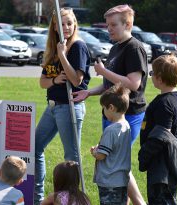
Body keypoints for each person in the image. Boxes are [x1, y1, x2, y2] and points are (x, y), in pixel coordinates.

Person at [72, 4, 147, 205]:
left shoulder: (134, 48)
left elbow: (133, 84)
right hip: (111, 113)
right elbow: (110, 84)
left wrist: (104, 71)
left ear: (128, 24)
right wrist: (89, 92)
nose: (109, 29)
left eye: (113, 25)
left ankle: (139, 203)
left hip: (128, 114)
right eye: (108, 25)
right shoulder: (115, 47)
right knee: (117, 161)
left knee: (118, 163)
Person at [34, 7, 91, 204]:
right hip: (52, 107)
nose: (66, 27)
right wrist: (55, 80)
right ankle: (38, 196)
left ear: (75, 24)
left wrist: (63, 55)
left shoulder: (77, 47)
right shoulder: (52, 49)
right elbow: (42, 82)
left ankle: (72, 199)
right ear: (55, 27)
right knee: (35, 146)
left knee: (70, 158)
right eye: (62, 24)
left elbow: (76, 80)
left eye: (70, 23)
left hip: (69, 107)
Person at [138, 55, 177, 205]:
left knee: (161, 200)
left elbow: (163, 135)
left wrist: (144, 154)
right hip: (168, 161)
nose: (151, 76)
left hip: (162, 166)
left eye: (152, 73)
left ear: (159, 78)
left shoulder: (164, 103)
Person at [91, 84, 131, 205]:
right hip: (122, 180)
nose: (103, 111)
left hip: (109, 182)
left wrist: (94, 152)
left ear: (111, 108)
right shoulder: (126, 126)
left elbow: (102, 156)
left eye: (103, 108)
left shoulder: (110, 130)